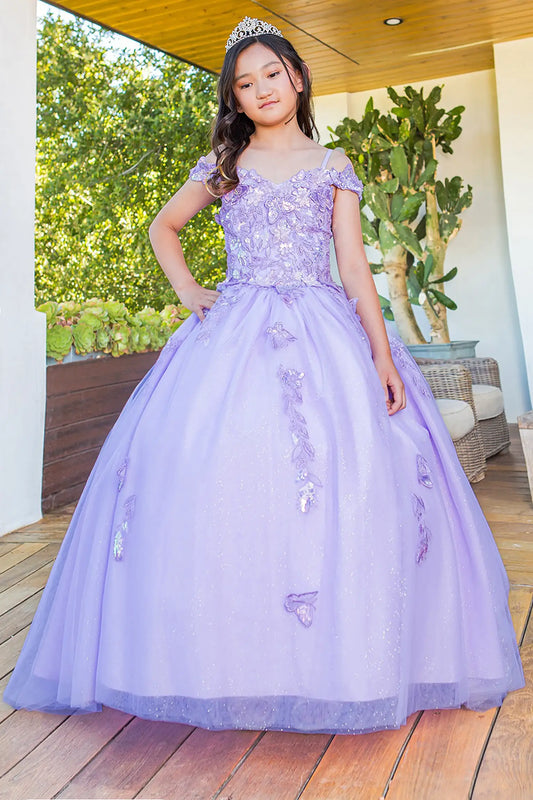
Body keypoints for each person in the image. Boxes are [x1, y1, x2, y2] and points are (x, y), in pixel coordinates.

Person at [3, 16, 524, 735]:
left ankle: (335, 663)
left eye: (270, 74)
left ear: (297, 77)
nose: (260, 89)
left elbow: (352, 270)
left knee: (348, 480)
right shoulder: (225, 162)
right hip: (234, 331)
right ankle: (226, 660)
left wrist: (379, 353)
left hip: (326, 333)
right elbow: (164, 226)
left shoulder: (333, 165)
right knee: (216, 478)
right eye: (244, 84)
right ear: (235, 100)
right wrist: (190, 292)